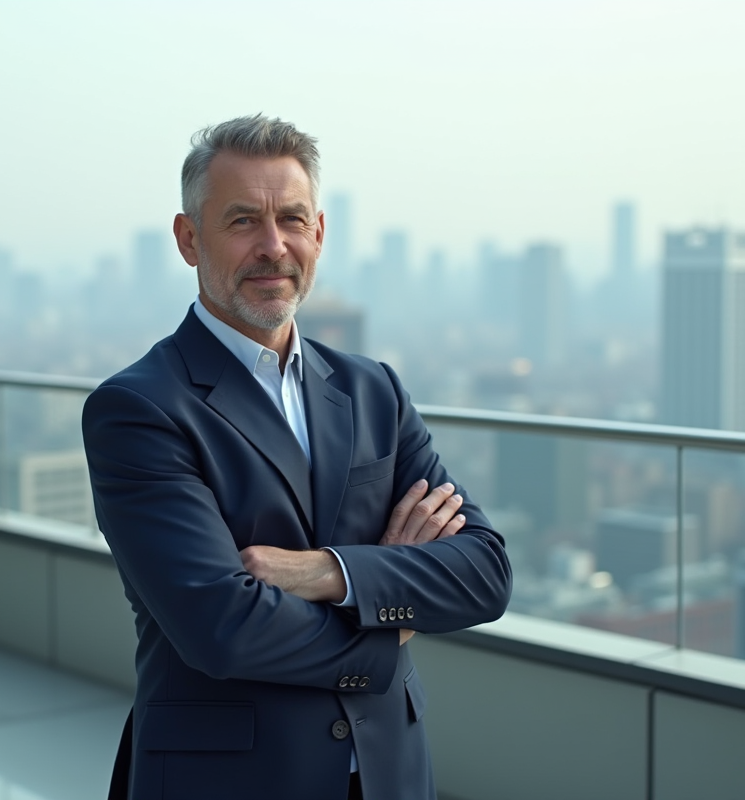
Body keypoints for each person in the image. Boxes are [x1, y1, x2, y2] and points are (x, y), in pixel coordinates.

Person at [82, 114, 512, 800]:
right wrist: (391, 621)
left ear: (319, 233)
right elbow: (222, 629)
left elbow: (484, 573)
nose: (273, 246)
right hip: (227, 782)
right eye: (243, 221)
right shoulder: (140, 408)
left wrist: (328, 572)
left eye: (291, 219)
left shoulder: (374, 389)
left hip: (390, 773)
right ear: (189, 239)